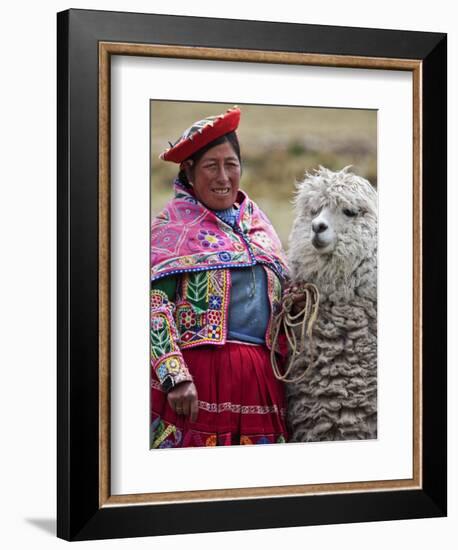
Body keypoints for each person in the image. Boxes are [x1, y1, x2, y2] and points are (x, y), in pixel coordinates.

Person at [150, 106, 289, 448]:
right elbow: (153, 305)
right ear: (189, 170)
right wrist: (175, 376)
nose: (223, 177)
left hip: (260, 380)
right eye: (211, 166)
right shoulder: (172, 230)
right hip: (198, 380)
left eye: (231, 165)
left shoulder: (258, 225)